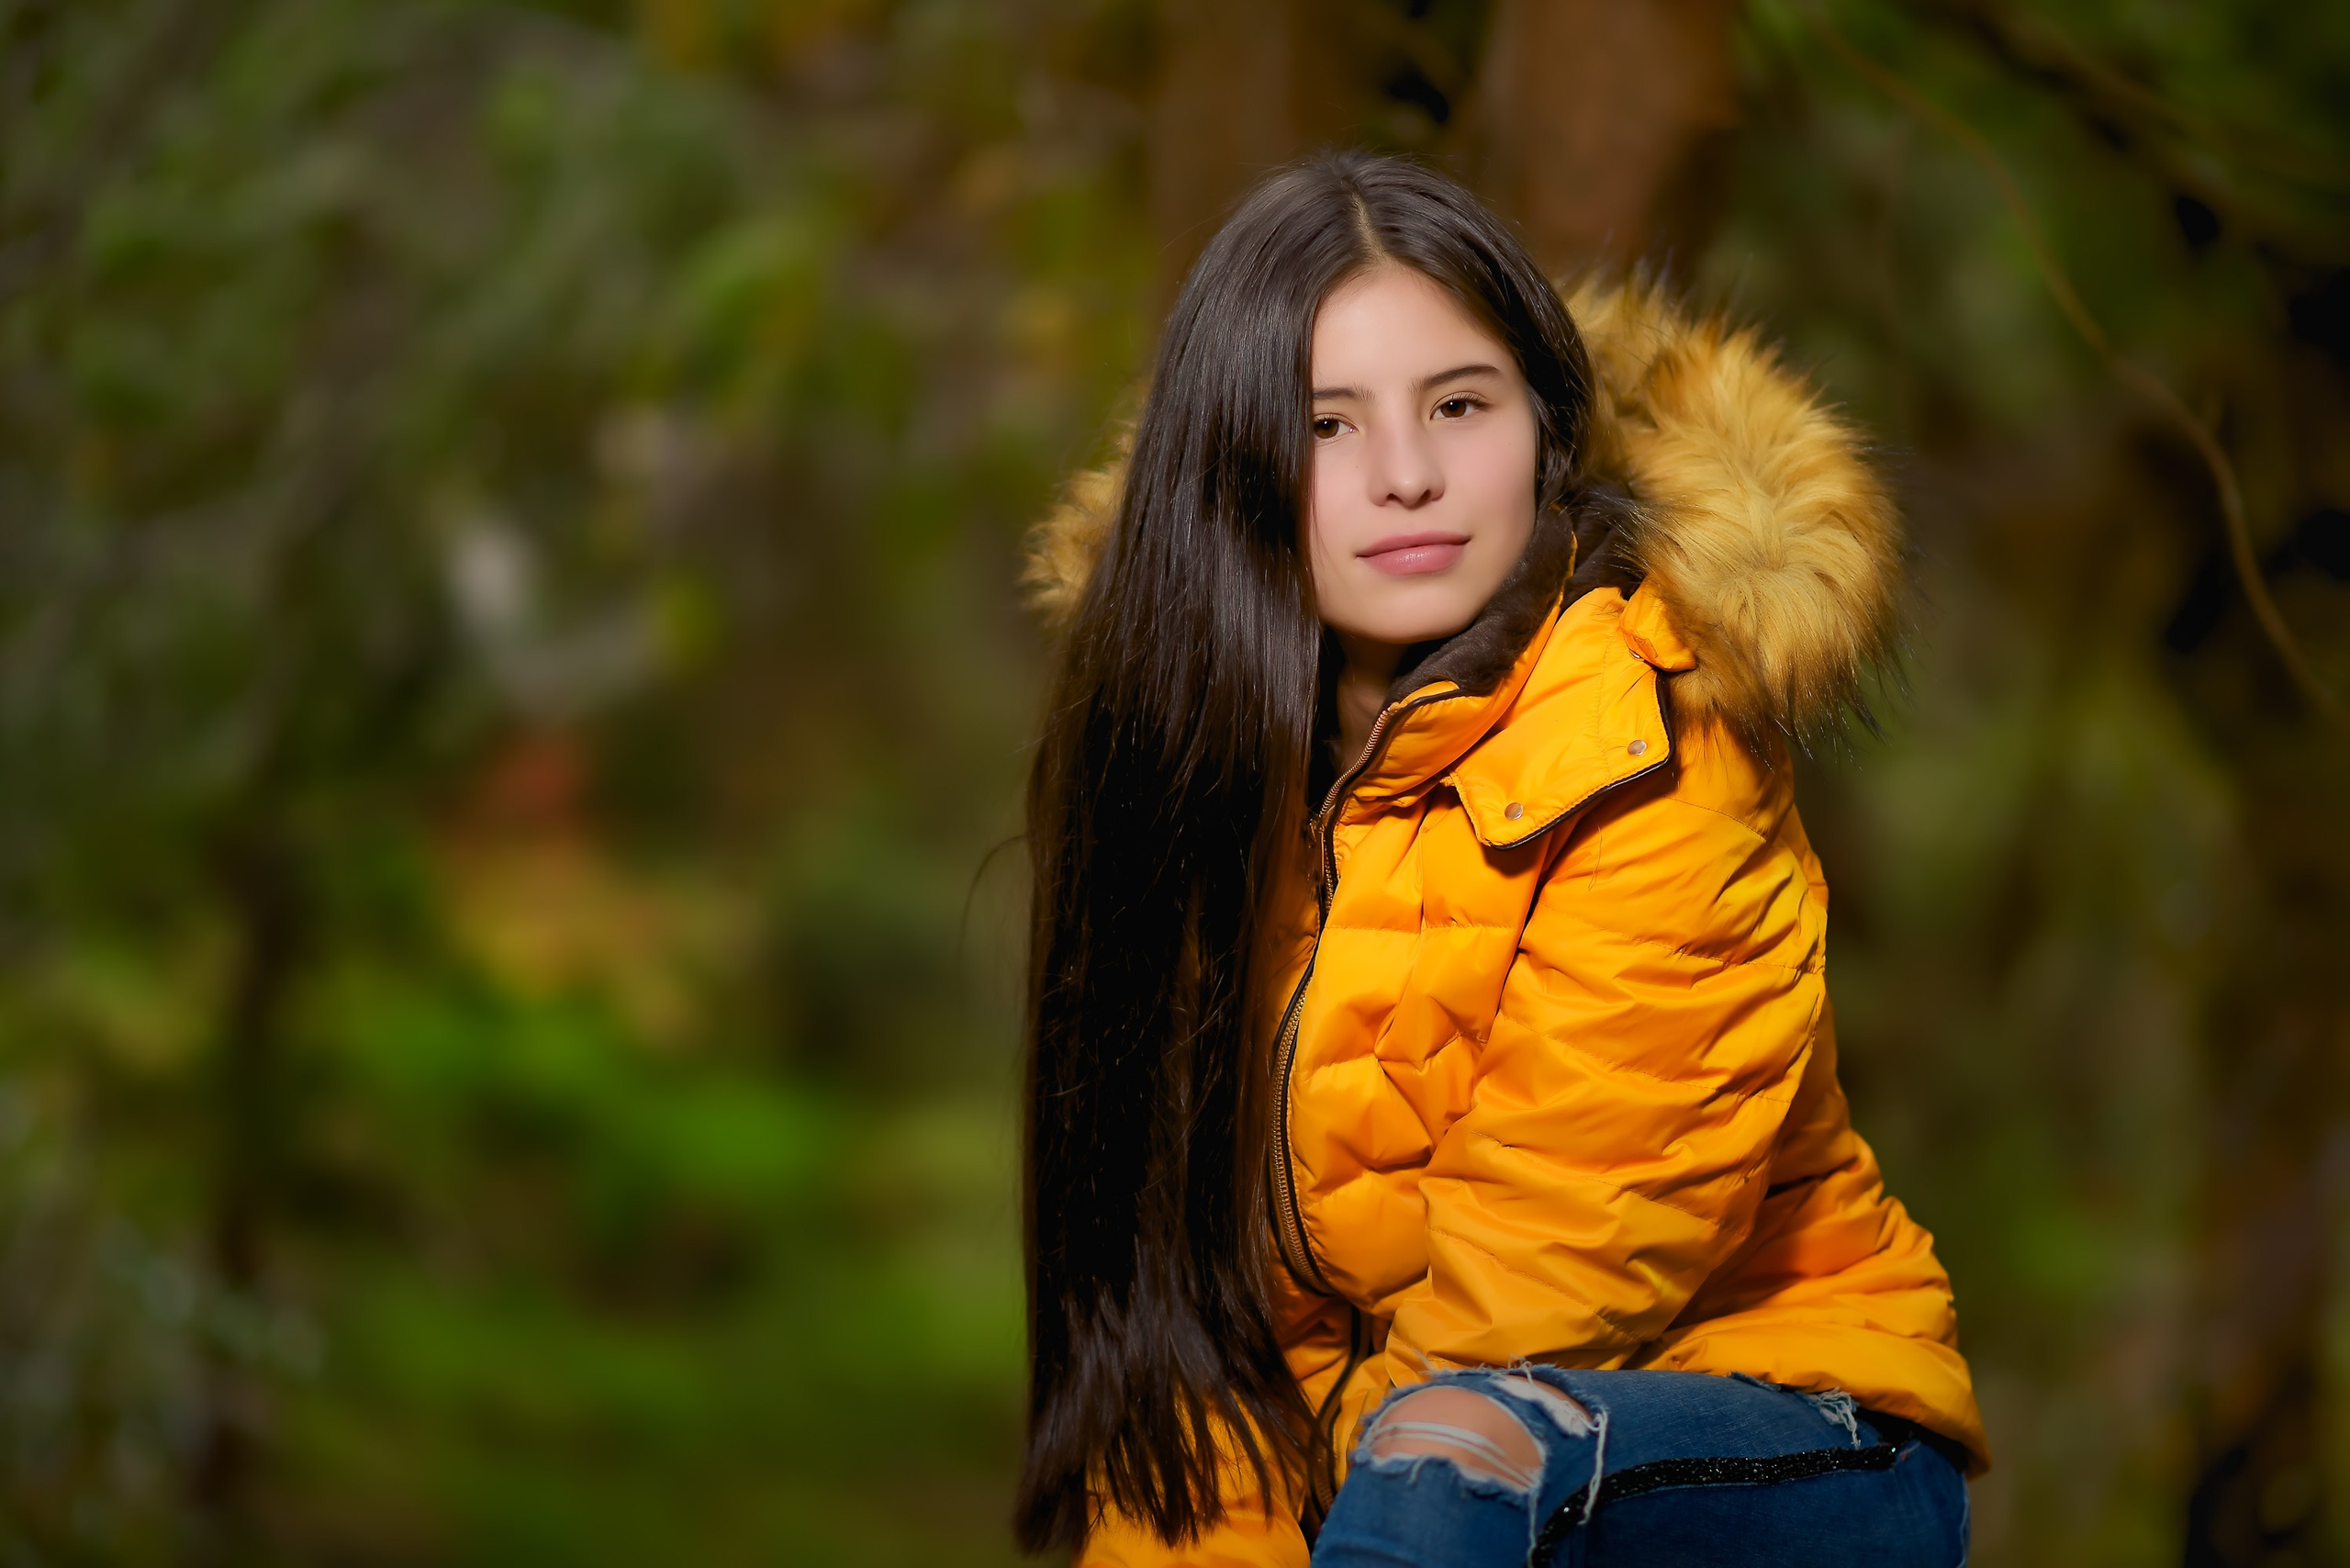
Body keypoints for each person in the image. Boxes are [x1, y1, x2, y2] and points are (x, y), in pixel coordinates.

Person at [1016, 151, 1986, 1568]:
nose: (1406, 477)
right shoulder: (1194, 787)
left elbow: (1560, 1255)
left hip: (1780, 1435)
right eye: (1325, 426)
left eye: (1458, 407)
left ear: (1542, 424)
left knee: (1448, 1459)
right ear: (1231, 467)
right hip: (1402, 1480)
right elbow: (1192, 1358)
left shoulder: (1657, 741)